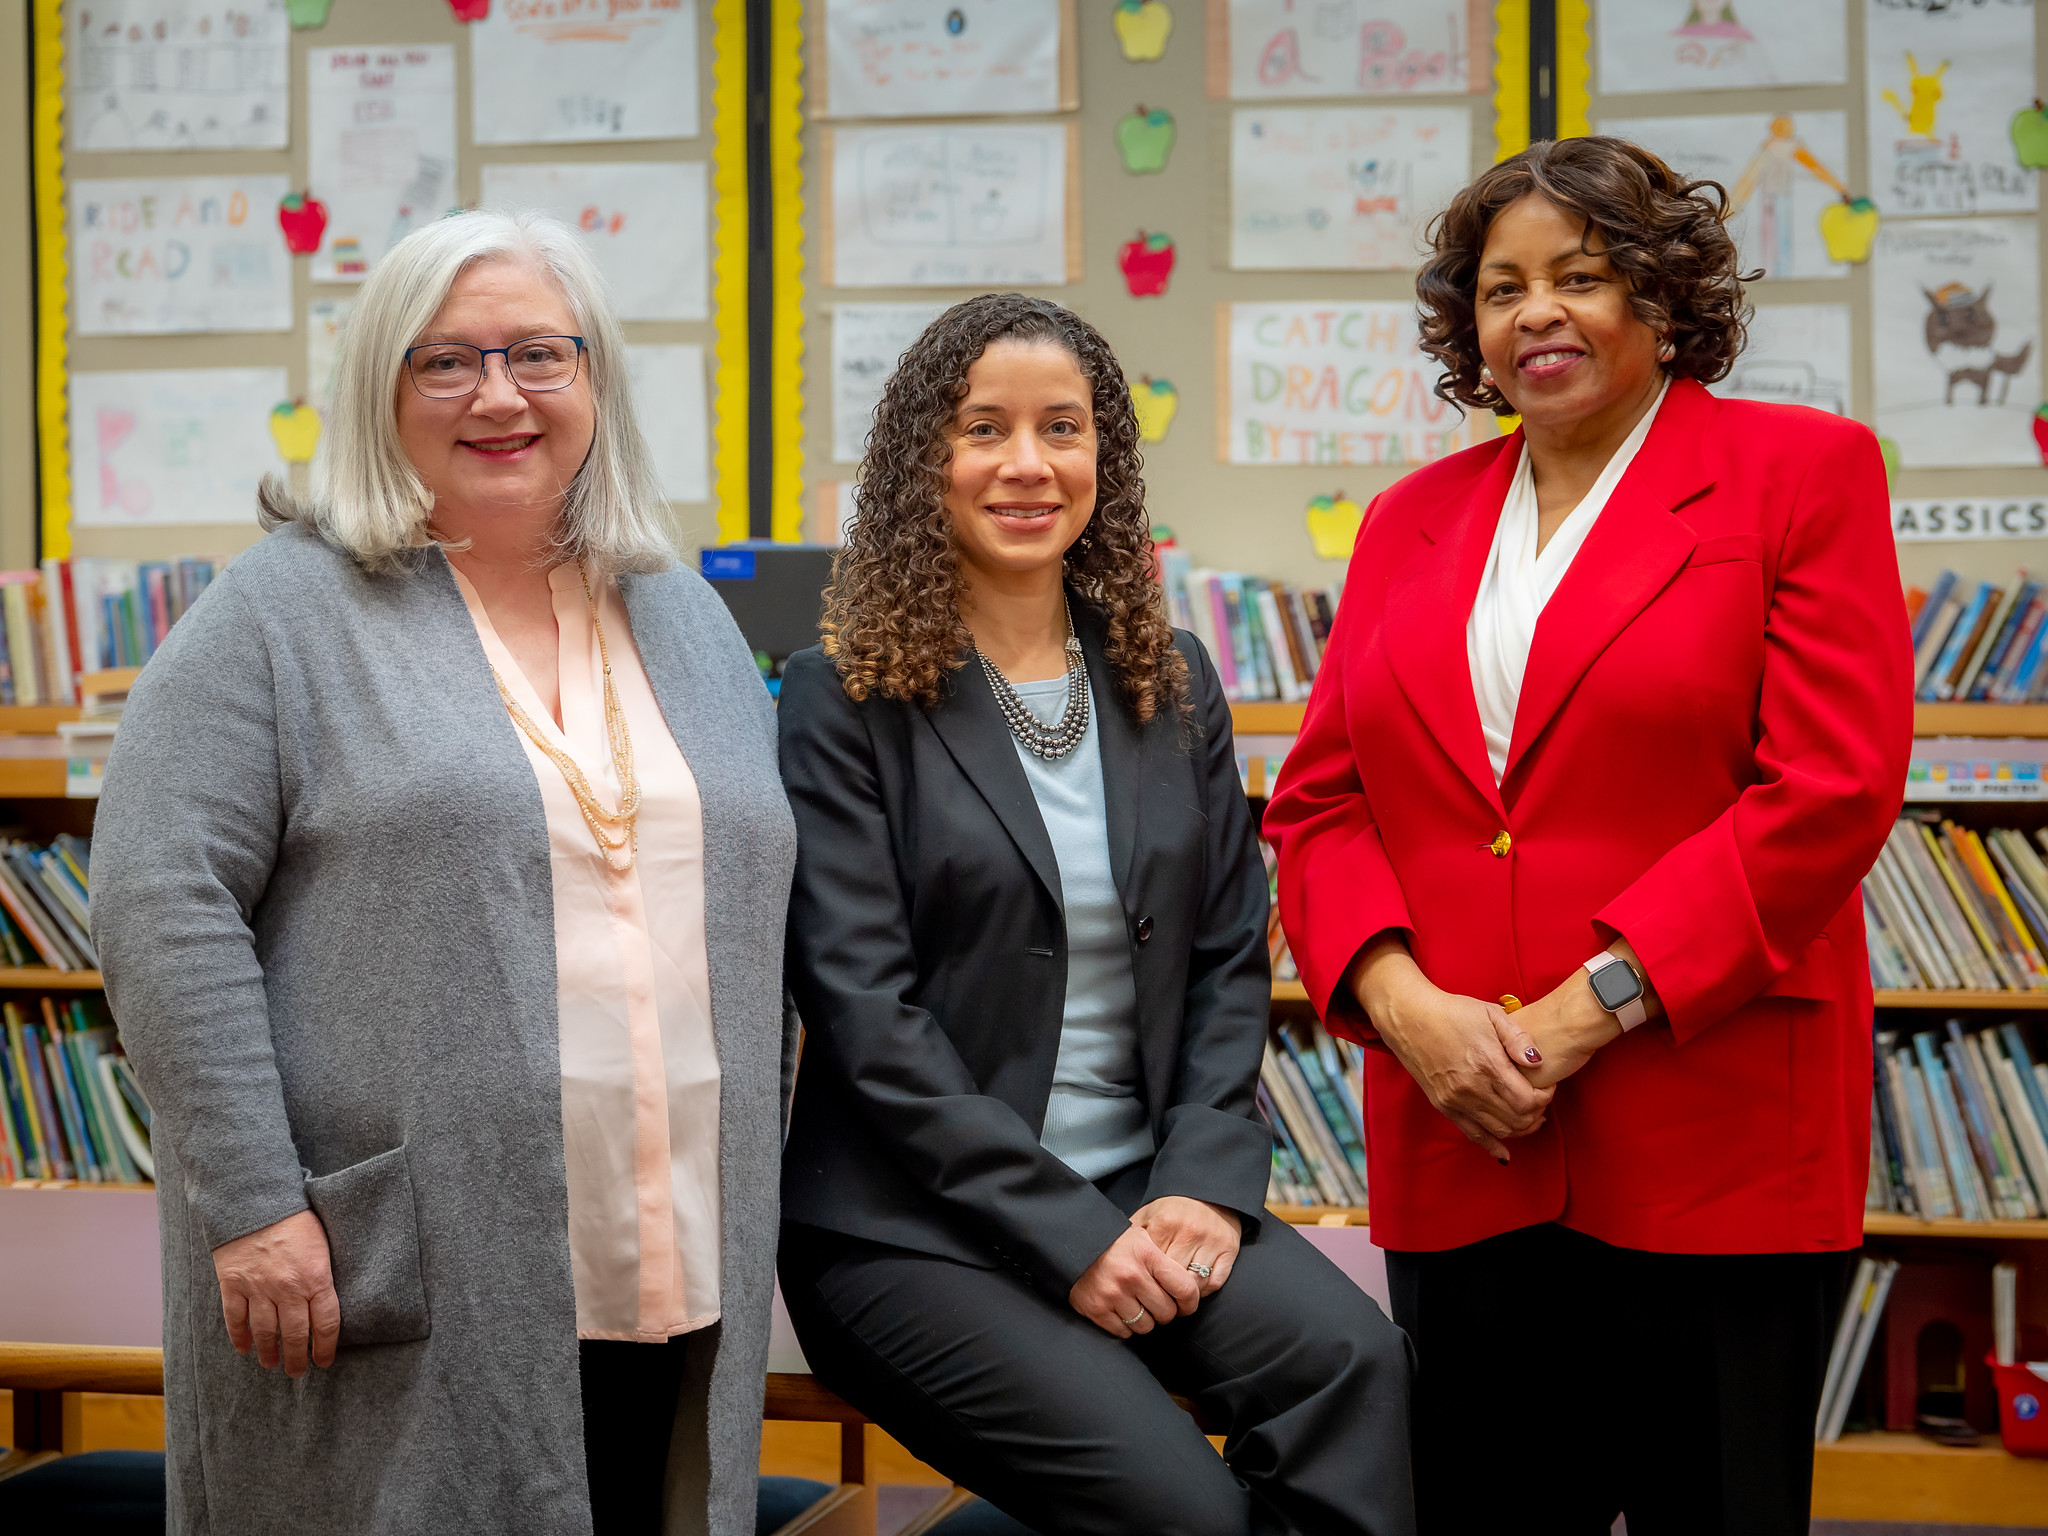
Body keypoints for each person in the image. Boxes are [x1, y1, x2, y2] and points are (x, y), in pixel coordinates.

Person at [90, 210, 797, 1536]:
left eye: (540, 353)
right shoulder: (279, 612)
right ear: (382, 388)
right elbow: (157, 901)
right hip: (387, 1251)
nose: (499, 396)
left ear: (595, 380)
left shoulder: (686, 616)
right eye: (446, 363)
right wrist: (252, 1207)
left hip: (670, 1249)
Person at [1264, 137, 1912, 1535]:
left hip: (1712, 1124)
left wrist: (1584, 1009)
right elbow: (1322, 802)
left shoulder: (1801, 473)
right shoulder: (1407, 524)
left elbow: (1832, 787)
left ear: (1666, 300)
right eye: (1503, 288)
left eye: (1584, 275)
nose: (1536, 312)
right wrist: (1405, 1006)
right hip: (1462, 1136)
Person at [775, 293, 1415, 1536]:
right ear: (925, 464)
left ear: (1102, 462)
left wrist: (1198, 1185)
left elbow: (1229, 955)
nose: (1026, 465)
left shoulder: (1166, 676)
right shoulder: (839, 693)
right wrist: (1073, 1232)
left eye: (1061, 428)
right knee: (1180, 1512)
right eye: (983, 430)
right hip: (913, 1229)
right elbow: (868, 1022)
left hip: (1147, 1188)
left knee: (1357, 1374)